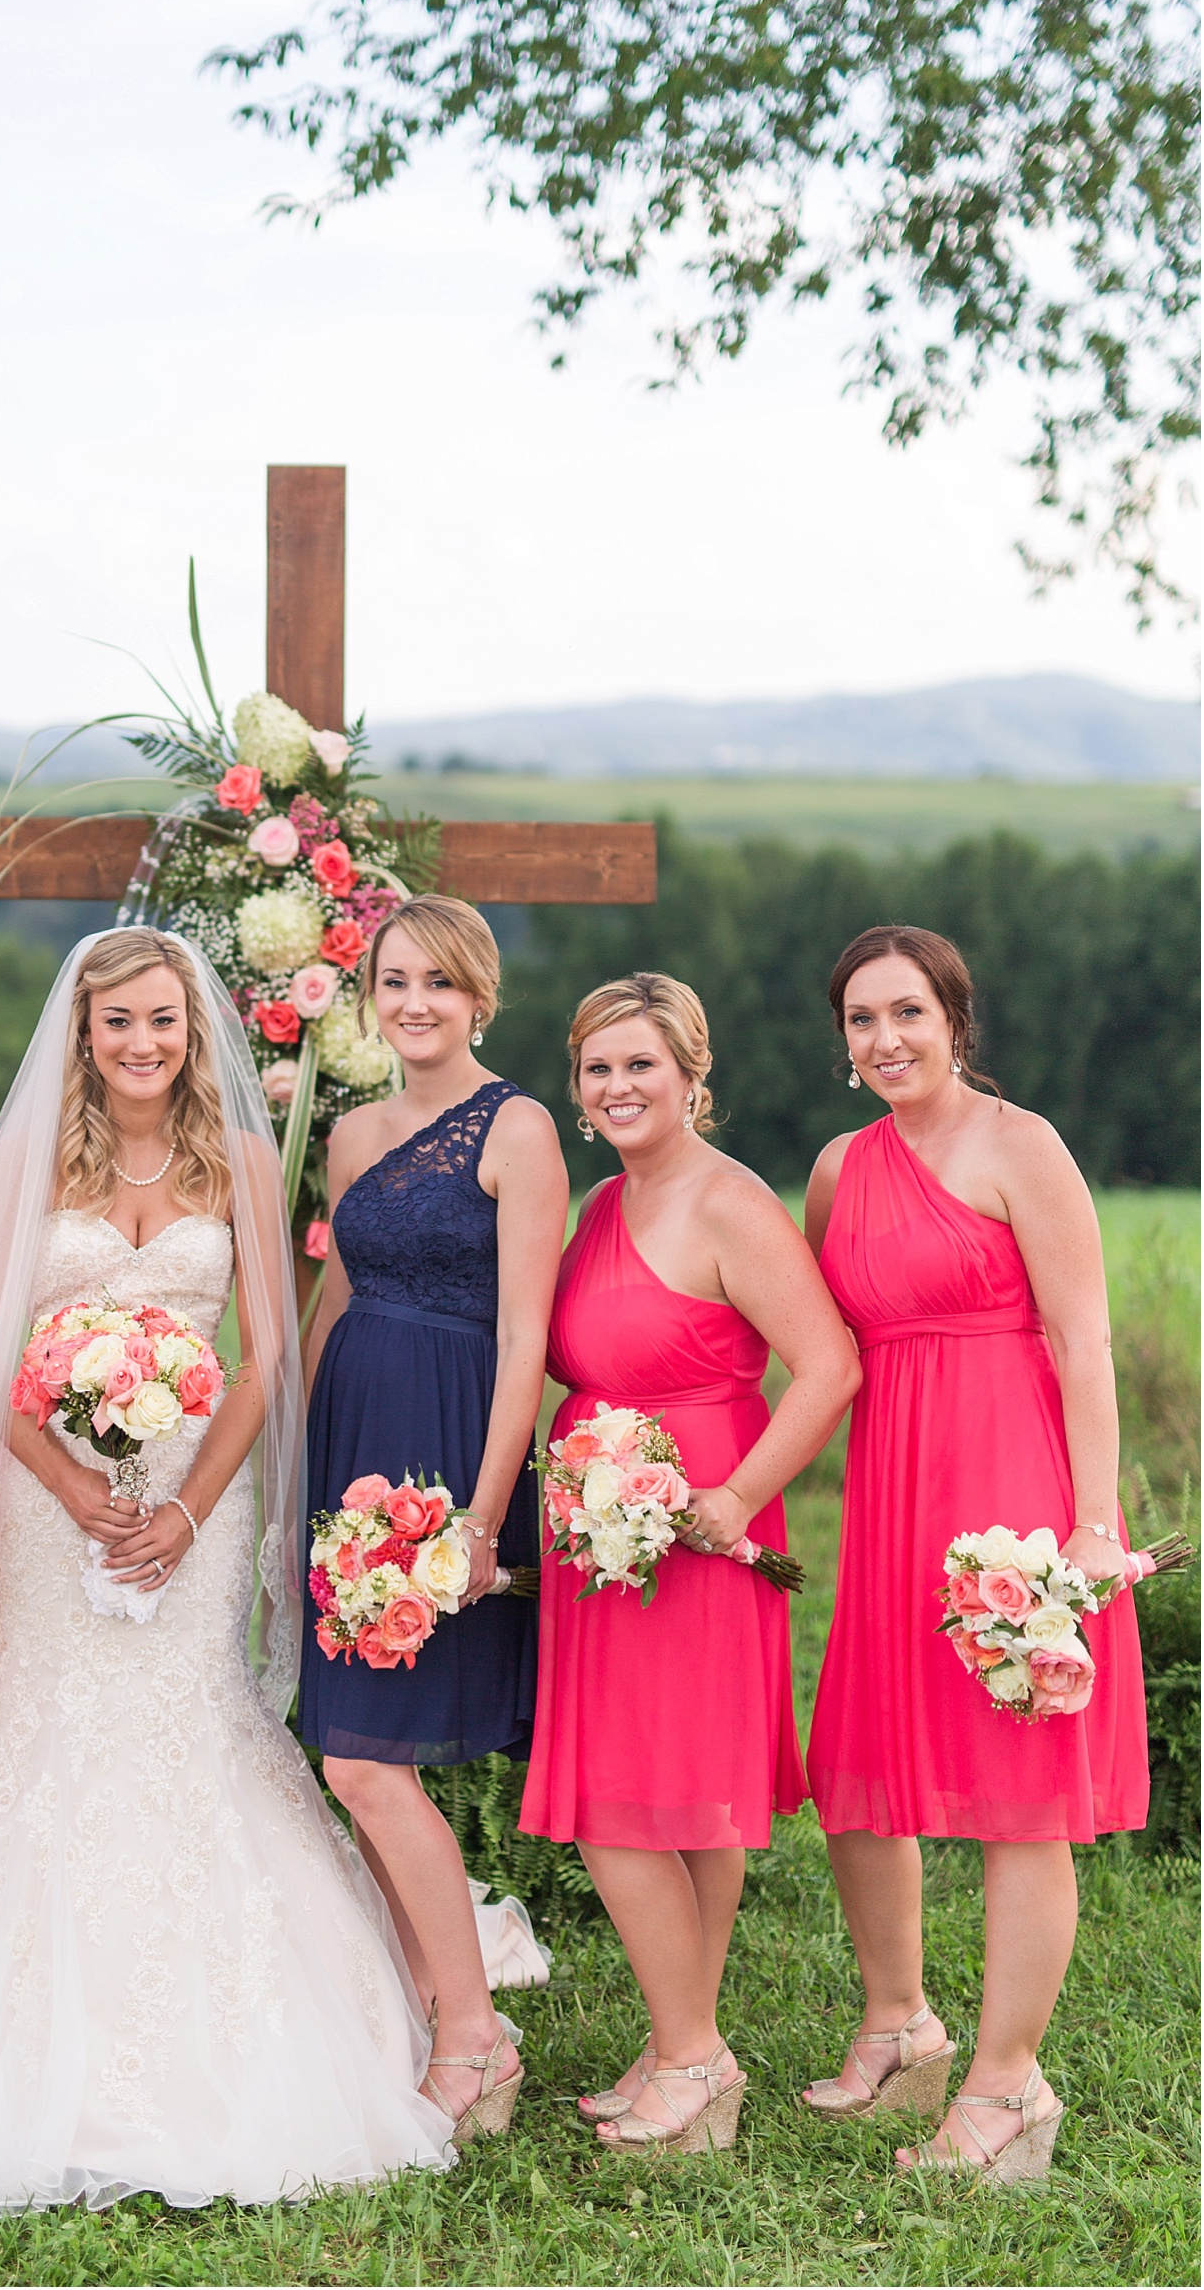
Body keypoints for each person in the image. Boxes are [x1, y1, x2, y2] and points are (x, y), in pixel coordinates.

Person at [0, 928, 455, 2212]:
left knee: (188, 1724)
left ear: (196, 1035)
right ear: (80, 1033)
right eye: (117, 1021)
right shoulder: (22, 1158)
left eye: (164, 1022)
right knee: (46, 1722)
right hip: (40, 1488)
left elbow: (264, 1363)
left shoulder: (243, 1158)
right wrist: (72, 1479)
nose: (141, 1043)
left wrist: (189, 1505)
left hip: (198, 1489)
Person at [802, 924, 1148, 2184]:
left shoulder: (1024, 1145)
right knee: (856, 1764)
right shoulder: (841, 1168)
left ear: (955, 1016)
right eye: (859, 1019)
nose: (885, 1037)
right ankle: (901, 2021)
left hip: (1009, 1484)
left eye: (907, 1011)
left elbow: (1086, 1342)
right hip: (894, 1492)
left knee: (1019, 1795)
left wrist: (1091, 1527)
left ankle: (1009, 2090)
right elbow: (823, 1341)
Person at [519, 973, 858, 2154]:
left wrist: (736, 1496)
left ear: (690, 1075)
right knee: (679, 1810)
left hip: (700, 1526)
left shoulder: (728, 1201)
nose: (615, 1086)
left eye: (639, 1065)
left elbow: (827, 1366)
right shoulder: (606, 1203)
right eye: (596, 1067)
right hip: (604, 1529)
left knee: (632, 1802)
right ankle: (685, 2038)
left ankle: (693, 2056)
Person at [299, 896, 568, 2143]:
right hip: (352, 1436)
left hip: (450, 1445)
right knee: (357, 1743)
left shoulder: (517, 1125)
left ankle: (474, 2033)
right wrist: (290, 1469)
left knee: (365, 1748)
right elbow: (329, 1304)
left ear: (480, 997)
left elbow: (527, 1337)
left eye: (440, 984)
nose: (415, 1002)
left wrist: (483, 1515)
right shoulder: (352, 1132)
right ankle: (427, 2001)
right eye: (395, 980)